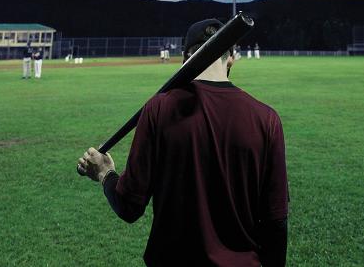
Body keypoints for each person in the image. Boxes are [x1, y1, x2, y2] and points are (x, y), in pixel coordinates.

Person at [78, 19, 289, 267]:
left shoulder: (158, 109)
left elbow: (129, 206)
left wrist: (105, 173)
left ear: (185, 58)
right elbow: (276, 222)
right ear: (232, 58)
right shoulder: (267, 118)